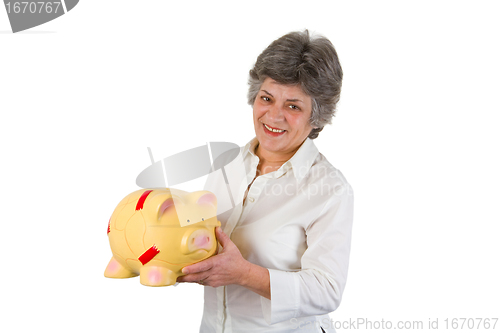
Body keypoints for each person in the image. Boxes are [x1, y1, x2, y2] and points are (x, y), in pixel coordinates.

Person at [177, 30, 354, 333]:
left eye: (293, 106)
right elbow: (203, 238)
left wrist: (244, 274)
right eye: (267, 98)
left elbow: (327, 290)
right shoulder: (226, 164)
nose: (274, 116)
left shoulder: (331, 190)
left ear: (317, 117)